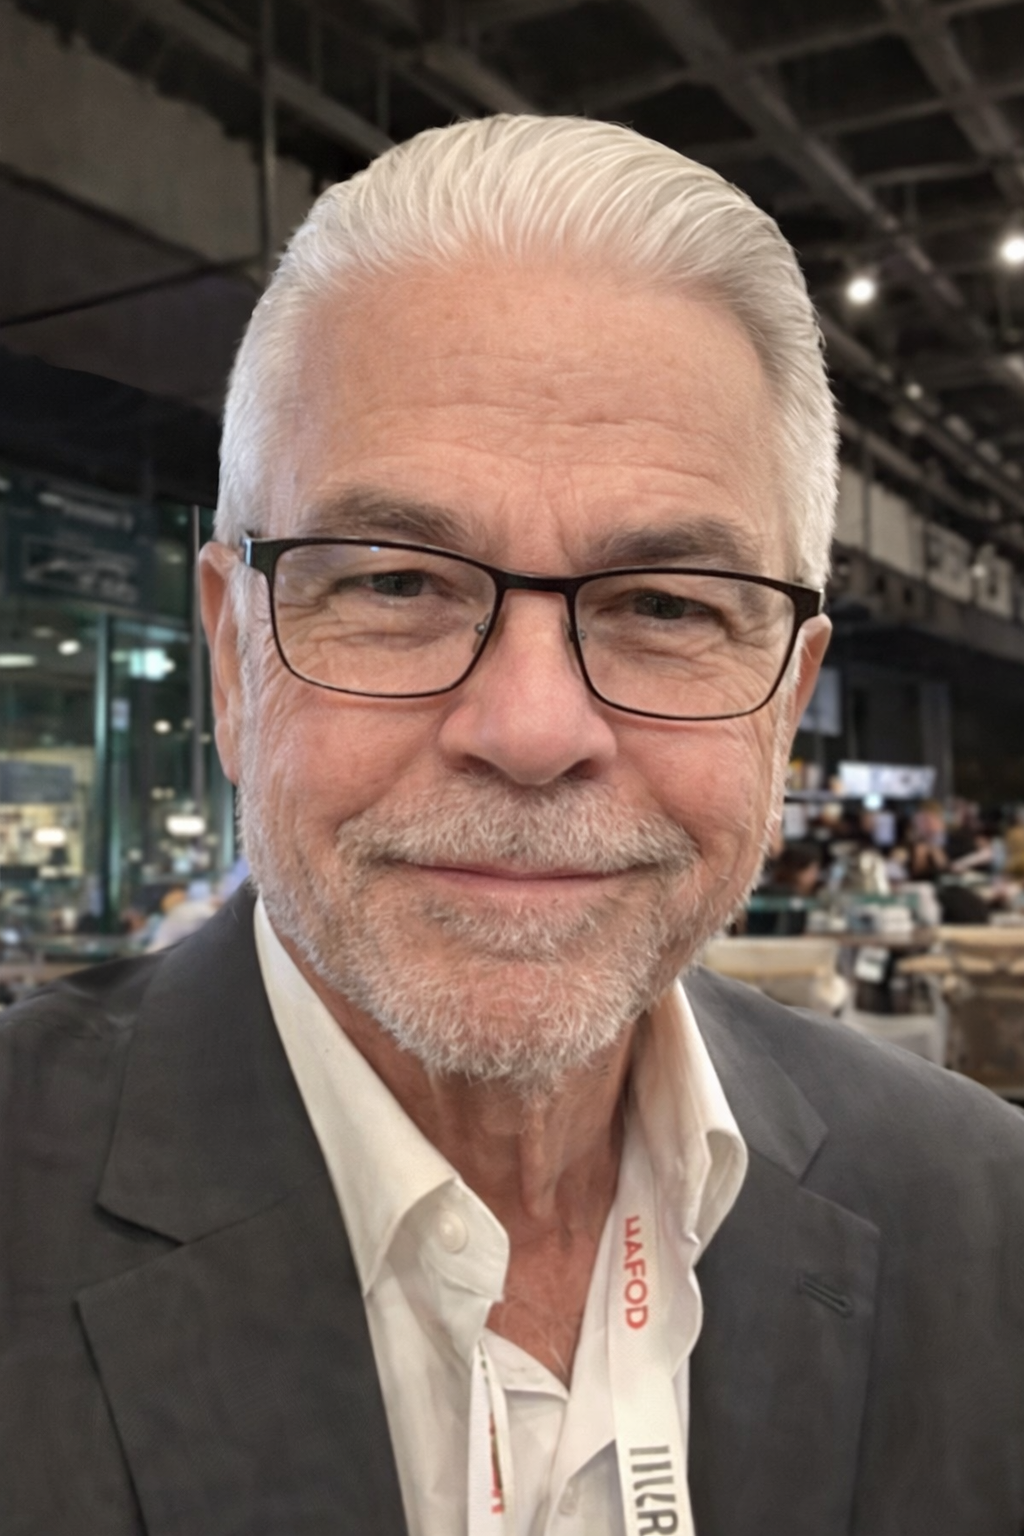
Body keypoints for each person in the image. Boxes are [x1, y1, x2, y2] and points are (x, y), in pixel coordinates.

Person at [2, 117, 1023, 1536]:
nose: (533, 731)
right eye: (396, 585)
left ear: (785, 703)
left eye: (666, 604)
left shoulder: (984, 1218)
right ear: (234, 663)